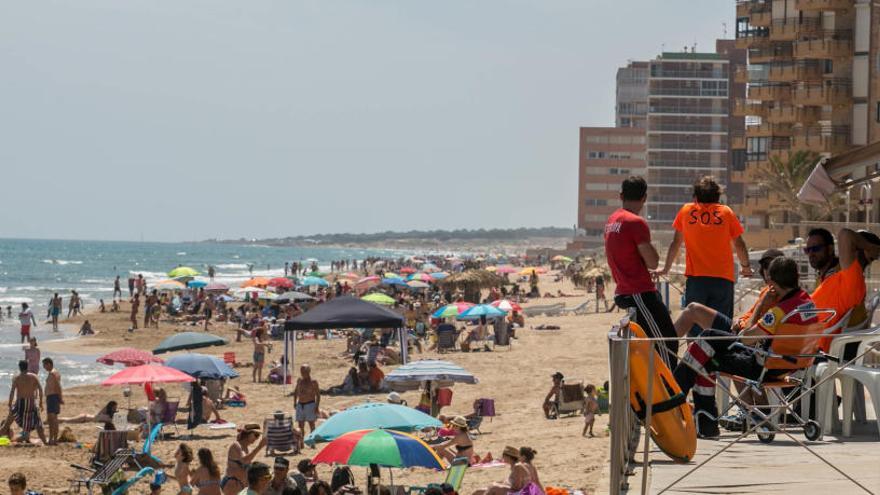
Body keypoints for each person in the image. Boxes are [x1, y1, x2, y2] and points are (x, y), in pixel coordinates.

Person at [672, 257, 816, 438]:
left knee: (706, 345)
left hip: (763, 367)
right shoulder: (808, 304)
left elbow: (746, 338)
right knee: (706, 351)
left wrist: (762, 305)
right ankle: (703, 421)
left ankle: (674, 398)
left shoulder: (779, 312)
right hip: (791, 364)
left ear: (771, 282)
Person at [657, 176, 752, 335]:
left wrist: (666, 268)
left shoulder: (686, 211)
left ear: (696, 196)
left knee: (694, 326)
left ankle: (692, 359)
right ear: (718, 196)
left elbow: (675, 243)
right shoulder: (726, 212)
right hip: (723, 280)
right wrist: (746, 268)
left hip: (696, 280)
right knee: (721, 329)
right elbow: (740, 245)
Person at [604, 176, 678, 367]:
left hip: (624, 289)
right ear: (645, 198)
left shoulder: (612, 221)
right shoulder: (635, 223)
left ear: (621, 196)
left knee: (654, 341)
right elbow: (653, 262)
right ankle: (670, 391)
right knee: (666, 343)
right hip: (638, 292)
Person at [807, 228, 880, 348]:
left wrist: (869, 247)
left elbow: (845, 235)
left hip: (818, 345)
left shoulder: (848, 277)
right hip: (813, 337)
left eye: (815, 248)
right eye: (807, 250)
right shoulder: (831, 276)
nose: (811, 253)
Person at [8, 360, 47, 444]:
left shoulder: (16, 378)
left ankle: (25, 436)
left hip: (20, 403)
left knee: (7, 423)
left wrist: (9, 404)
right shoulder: (34, 376)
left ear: (19, 367)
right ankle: (45, 442)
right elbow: (40, 390)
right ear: (27, 366)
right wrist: (40, 402)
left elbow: (12, 392)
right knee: (38, 424)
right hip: (31, 403)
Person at [222, 424, 267, 495]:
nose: (257, 438)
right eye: (256, 435)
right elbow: (244, 460)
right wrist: (259, 446)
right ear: (248, 434)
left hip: (242, 483)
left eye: (258, 436)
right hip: (232, 483)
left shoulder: (247, 449)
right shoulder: (236, 446)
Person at [293, 365, 320, 445]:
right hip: (300, 404)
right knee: (300, 425)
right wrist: (294, 402)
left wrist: (316, 406)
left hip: (310, 404)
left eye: (304, 371)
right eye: (301, 371)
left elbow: (318, 395)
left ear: (308, 372)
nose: (302, 373)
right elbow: (296, 391)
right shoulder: (299, 380)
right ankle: (301, 442)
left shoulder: (313, 382)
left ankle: (312, 442)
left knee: (311, 424)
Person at [42, 358, 62, 445]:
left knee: (52, 420)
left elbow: (58, 387)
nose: (44, 367)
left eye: (44, 365)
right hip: (53, 397)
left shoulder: (53, 373)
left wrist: (60, 398)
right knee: (54, 419)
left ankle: (52, 439)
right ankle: (54, 439)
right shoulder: (55, 372)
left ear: (49, 364)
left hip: (52, 397)